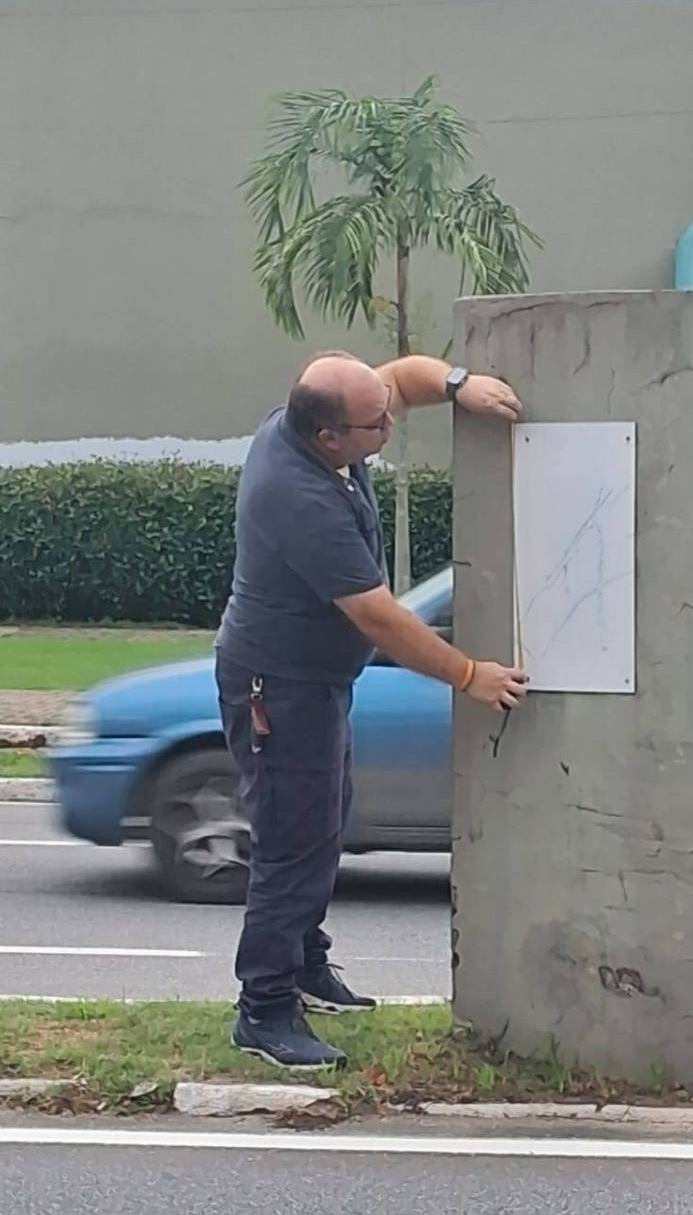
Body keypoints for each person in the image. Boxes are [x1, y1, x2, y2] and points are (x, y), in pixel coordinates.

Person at [216, 350, 527, 1069]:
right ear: (329, 438)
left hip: (313, 681)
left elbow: (403, 376)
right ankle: (262, 1010)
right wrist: (468, 674)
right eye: (374, 423)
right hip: (277, 686)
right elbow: (379, 618)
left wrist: (459, 386)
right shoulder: (297, 496)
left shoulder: (327, 413)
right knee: (292, 843)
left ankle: (304, 963)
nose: (390, 421)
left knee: (324, 823)